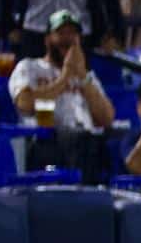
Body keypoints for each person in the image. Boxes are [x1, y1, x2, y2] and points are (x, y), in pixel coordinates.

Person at [8, 10, 116, 183]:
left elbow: (107, 118)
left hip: (87, 142)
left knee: (107, 144)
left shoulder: (88, 76)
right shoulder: (30, 67)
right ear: (47, 39)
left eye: (73, 34)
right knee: (84, 142)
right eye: (61, 33)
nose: (68, 38)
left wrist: (82, 76)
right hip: (46, 141)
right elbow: (25, 103)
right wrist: (65, 77)